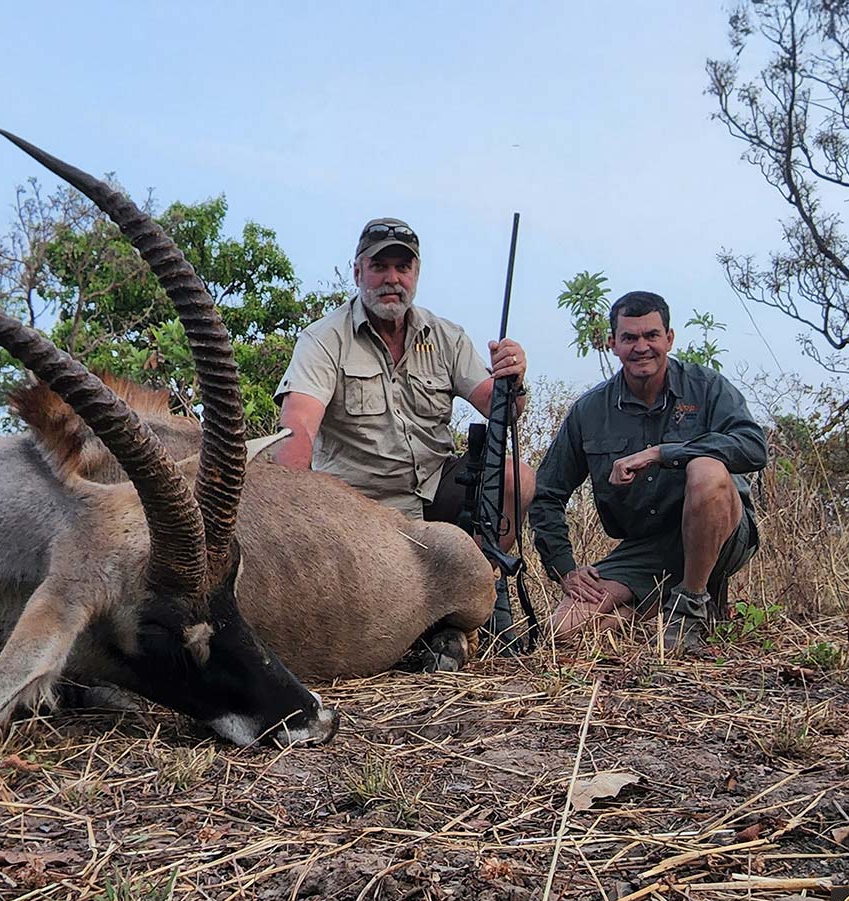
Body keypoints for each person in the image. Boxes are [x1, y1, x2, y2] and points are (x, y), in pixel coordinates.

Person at [272, 217, 536, 644]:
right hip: (360, 506)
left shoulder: (446, 336)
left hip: (435, 490)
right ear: (357, 272)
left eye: (402, 267)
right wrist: (291, 522)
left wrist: (514, 378)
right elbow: (298, 428)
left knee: (515, 477)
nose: (391, 279)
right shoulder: (323, 340)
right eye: (379, 267)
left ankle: (475, 591)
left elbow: (502, 407)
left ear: (416, 273)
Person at [528, 290, 767, 652]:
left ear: (669, 338)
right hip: (647, 549)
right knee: (562, 631)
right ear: (612, 343)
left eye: (651, 335)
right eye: (629, 338)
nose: (642, 347)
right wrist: (565, 569)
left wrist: (661, 454)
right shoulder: (590, 411)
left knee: (706, 471)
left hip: (723, 536)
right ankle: (657, 610)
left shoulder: (707, 387)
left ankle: (691, 603)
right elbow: (546, 492)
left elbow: (753, 447)